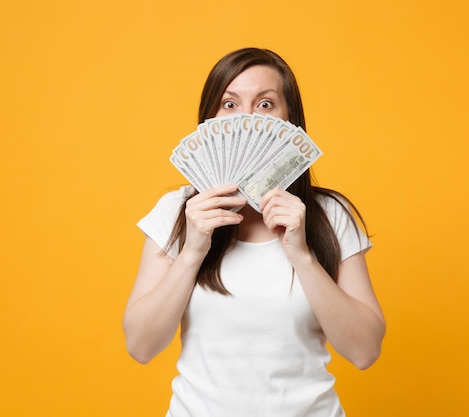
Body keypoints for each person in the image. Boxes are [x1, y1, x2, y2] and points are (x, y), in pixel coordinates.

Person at [123, 47, 385, 417]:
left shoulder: (328, 215)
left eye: (265, 104)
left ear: (289, 120)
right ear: (210, 118)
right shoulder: (177, 212)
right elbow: (141, 346)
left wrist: (302, 255)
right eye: (229, 105)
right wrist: (193, 251)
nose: (246, 119)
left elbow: (365, 351)